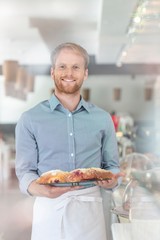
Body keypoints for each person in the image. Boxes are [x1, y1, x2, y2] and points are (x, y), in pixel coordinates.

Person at [15, 42, 122, 240]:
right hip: (48, 210)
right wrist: (37, 188)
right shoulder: (30, 119)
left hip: (90, 211)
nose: (69, 73)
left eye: (76, 67)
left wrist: (112, 180)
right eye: (62, 66)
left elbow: (113, 167)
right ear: (53, 71)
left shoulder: (102, 118)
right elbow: (24, 172)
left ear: (85, 73)